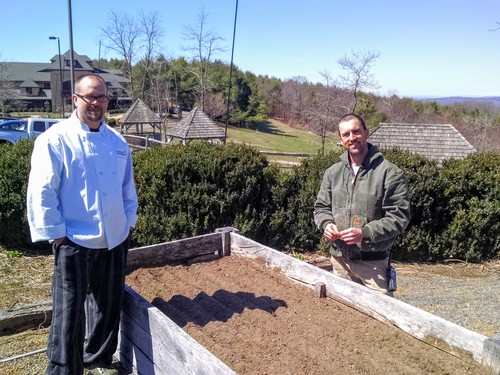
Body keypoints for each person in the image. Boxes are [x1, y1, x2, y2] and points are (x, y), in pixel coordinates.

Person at [27, 73, 138, 375]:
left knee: (108, 305)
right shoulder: (54, 139)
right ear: (75, 99)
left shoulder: (117, 142)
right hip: (74, 240)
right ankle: (64, 370)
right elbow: (42, 190)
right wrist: (57, 236)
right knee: (69, 315)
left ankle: (99, 357)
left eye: (101, 97)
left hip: (114, 238)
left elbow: (128, 187)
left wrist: (128, 222)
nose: (96, 102)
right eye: (89, 96)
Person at [313, 113, 410, 295]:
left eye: (356, 132)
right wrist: (326, 224)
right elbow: (321, 208)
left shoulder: (390, 173)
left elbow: (399, 217)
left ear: (366, 133)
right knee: (343, 317)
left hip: (373, 267)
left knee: (380, 318)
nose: (352, 138)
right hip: (339, 262)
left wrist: (364, 234)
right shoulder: (332, 173)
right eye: (346, 134)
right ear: (341, 139)